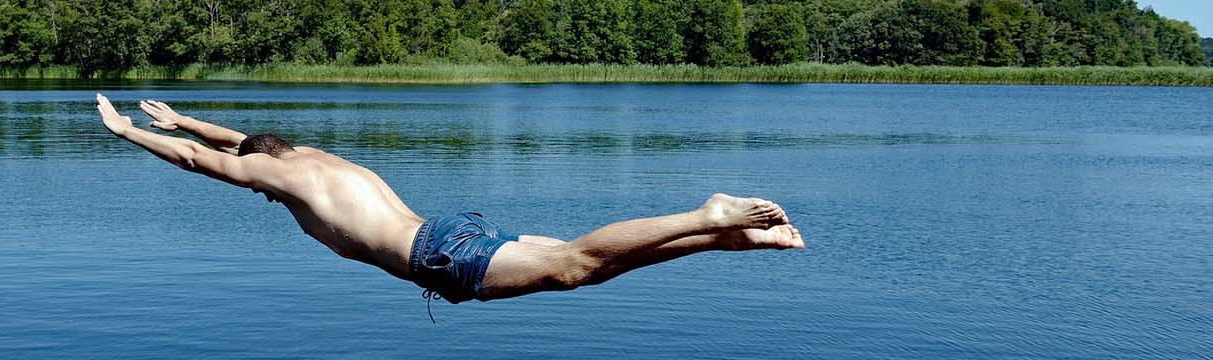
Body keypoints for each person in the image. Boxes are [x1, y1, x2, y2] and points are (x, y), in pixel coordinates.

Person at [95, 94, 804, 313]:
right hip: (447, 230)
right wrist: (186, 119)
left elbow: (204, 161)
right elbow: (238, 141)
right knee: (587, 269)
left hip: (437, 256)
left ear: (258, 171)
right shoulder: (306, 158)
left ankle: (708, 216)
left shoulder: (282, 180)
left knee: (578, 261)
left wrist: (128, 132)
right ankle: (723, 240)